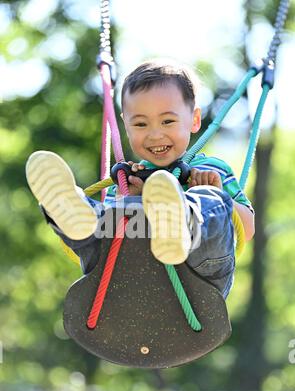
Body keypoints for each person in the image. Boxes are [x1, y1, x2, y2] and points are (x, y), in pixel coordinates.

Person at [26, 59, 255, 299]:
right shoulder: (127, 179)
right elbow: (115, 239)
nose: (155, 134)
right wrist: (135, 200)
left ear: (194, 120)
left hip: (200, 278)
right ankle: (72, 211)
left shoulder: (209, 169)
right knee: (108, 221)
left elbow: (247, 229)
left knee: (211, 200)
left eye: (167, 121)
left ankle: (182, 222)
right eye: (141, 124)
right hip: (129, 279)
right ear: (126, 125)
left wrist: (216, 193)